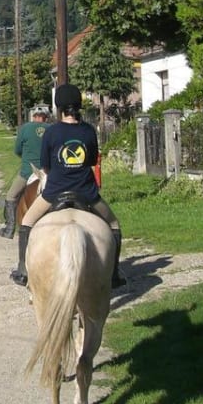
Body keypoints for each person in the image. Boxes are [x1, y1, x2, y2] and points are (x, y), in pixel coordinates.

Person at [9, 83, 127, 289]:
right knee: (114, 225)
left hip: (54, 193)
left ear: (59, 107)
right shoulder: (88, 131)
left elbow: (45, 166)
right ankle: (114, 275)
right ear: (79, 105)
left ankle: (23, 271)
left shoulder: (51, 132)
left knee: (26, 222)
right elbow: (91, 161)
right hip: (86, 193)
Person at [0, 108, 49, 238]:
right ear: (45, 117)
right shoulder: (51, 128)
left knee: (11, 196)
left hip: (28, 172)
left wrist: (26, 157)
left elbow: (17, 150)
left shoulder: (25, 128)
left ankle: (9, 229)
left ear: (34, 116)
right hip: (47, 172)